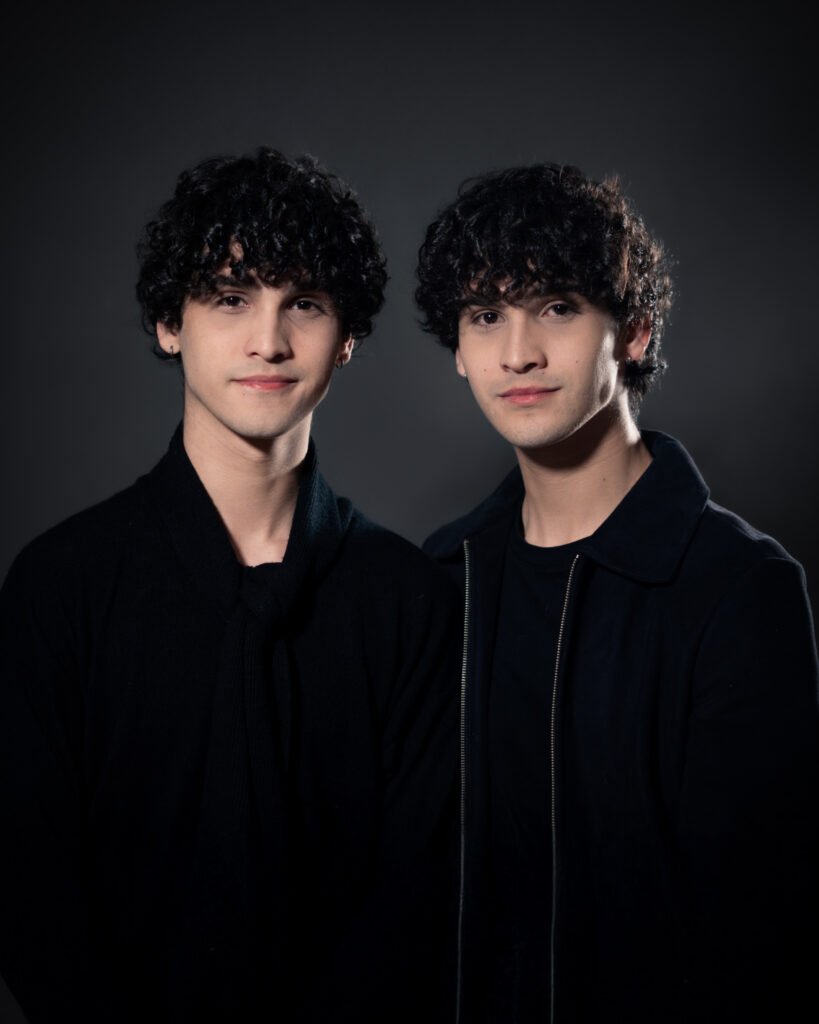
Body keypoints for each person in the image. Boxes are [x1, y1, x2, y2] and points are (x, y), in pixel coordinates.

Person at [0, 147, 458, 1024]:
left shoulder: (409, 601)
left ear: (348, 337)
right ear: (168, 324)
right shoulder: (61, 585)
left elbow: (415, 903)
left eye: (305, 303)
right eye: (230, 297)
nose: (268, 341)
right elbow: (28, 888)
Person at [415, 163, 819, 1024]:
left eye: (556, 307)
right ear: (457, 348)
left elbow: (760, 934)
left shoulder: (738, 588)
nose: (517, 353)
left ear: (631, 332)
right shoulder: (441, 580)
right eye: (485, 315)